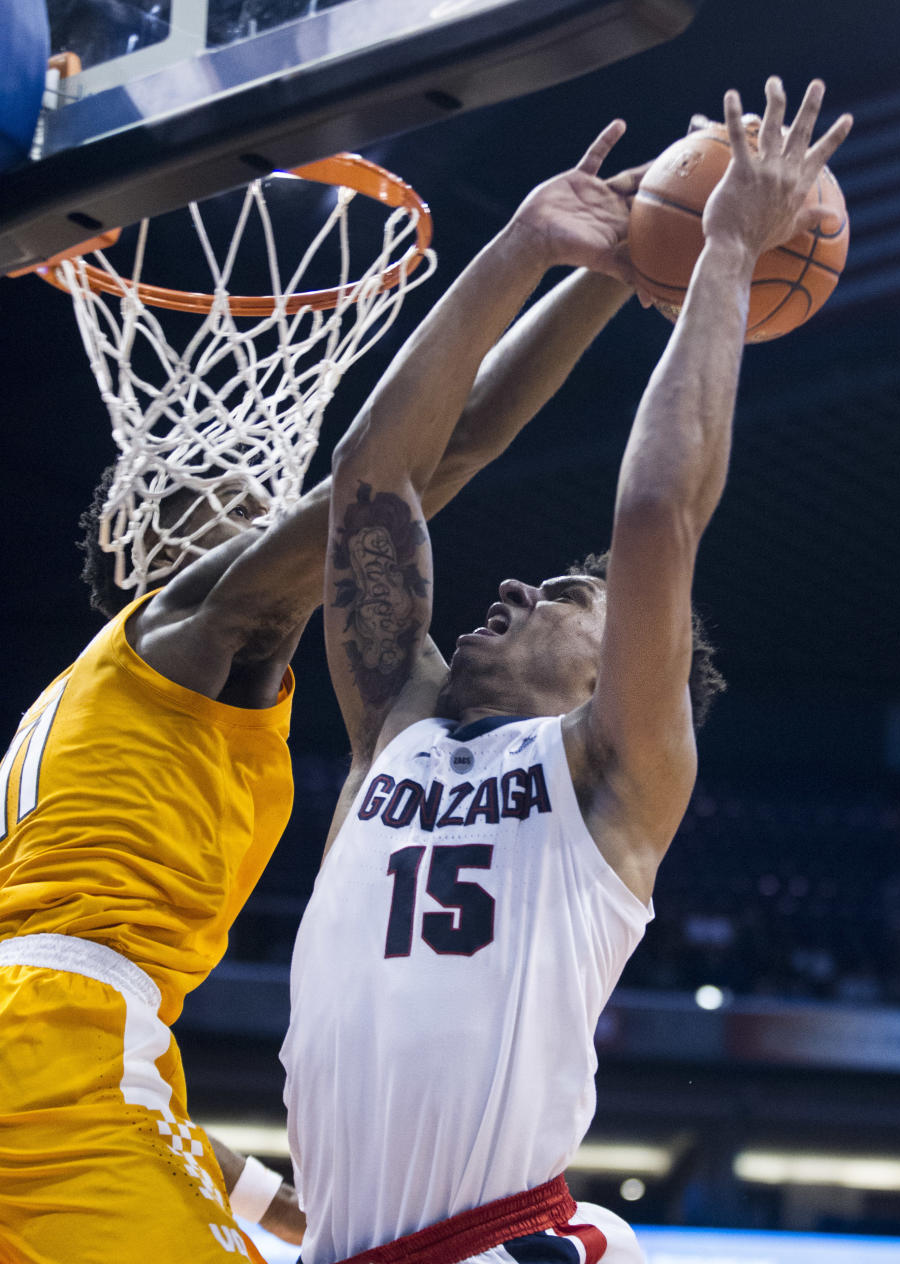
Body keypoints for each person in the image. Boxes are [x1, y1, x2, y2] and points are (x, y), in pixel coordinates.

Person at [0, 144, 658, 1261]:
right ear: (157, 523)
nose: (277, 500)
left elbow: (130, 1112)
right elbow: (437, 455)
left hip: (74, 1063)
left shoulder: (99, 701)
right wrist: (594, 265)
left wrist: (302, 1212)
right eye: (255, 500)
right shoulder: (195, 633)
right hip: (60, 1060)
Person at [281, 76, 853, 1264]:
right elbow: (372, 478)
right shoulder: (401, 722)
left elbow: (656, 512)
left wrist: (731, 253)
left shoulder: (612, 775)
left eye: (563, 597)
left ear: (627, 672)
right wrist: (524, 247)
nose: (512, 590)